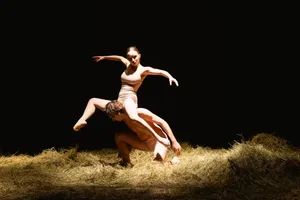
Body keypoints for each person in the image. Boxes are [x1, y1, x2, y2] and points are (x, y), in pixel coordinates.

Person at [73, 46, 179, 147]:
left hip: (130, 98)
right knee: (93, 101)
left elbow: (160, 71)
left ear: (139, 55)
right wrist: (104, 57)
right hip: (120, 99)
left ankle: (158, 138)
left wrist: (170, 76)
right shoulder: (127, 64)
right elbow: (119, 58)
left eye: (135, 57)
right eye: (130, 58)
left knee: (133, 117)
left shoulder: (143, 70)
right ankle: (82, 120)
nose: (133, 60)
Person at [98, 99, 182, 166]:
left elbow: (162, 122)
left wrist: (174, 141)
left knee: (156, 166)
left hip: (159, 142)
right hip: (144, 143)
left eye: (113, 117)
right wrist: (123, 150)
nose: (113, 120)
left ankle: (173, 162)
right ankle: (126, 163)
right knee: (119, 136)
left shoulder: (140, 113)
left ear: (119, 113)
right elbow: (94, 101)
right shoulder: (125, 119)